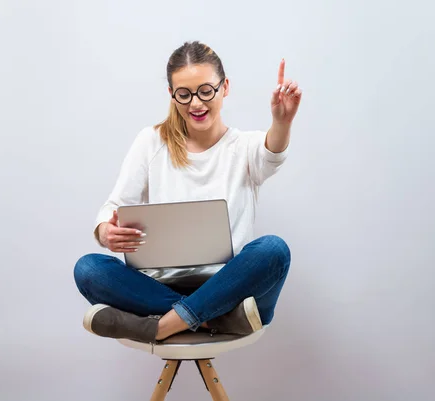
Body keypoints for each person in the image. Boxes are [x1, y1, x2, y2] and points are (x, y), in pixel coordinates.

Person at [73, 41, 301, 344]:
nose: (196, 103)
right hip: (166, 287)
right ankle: (210, 320)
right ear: (171, 94)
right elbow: (114, 206)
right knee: (88, 269)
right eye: (184, 94)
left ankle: (159, 326)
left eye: (206, 90)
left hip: (231, 288)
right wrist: (105, 231)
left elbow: (272, 154)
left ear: (225, 87)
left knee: (274, 250)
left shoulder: (244, 147)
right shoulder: (151, 142)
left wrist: (281, 123)